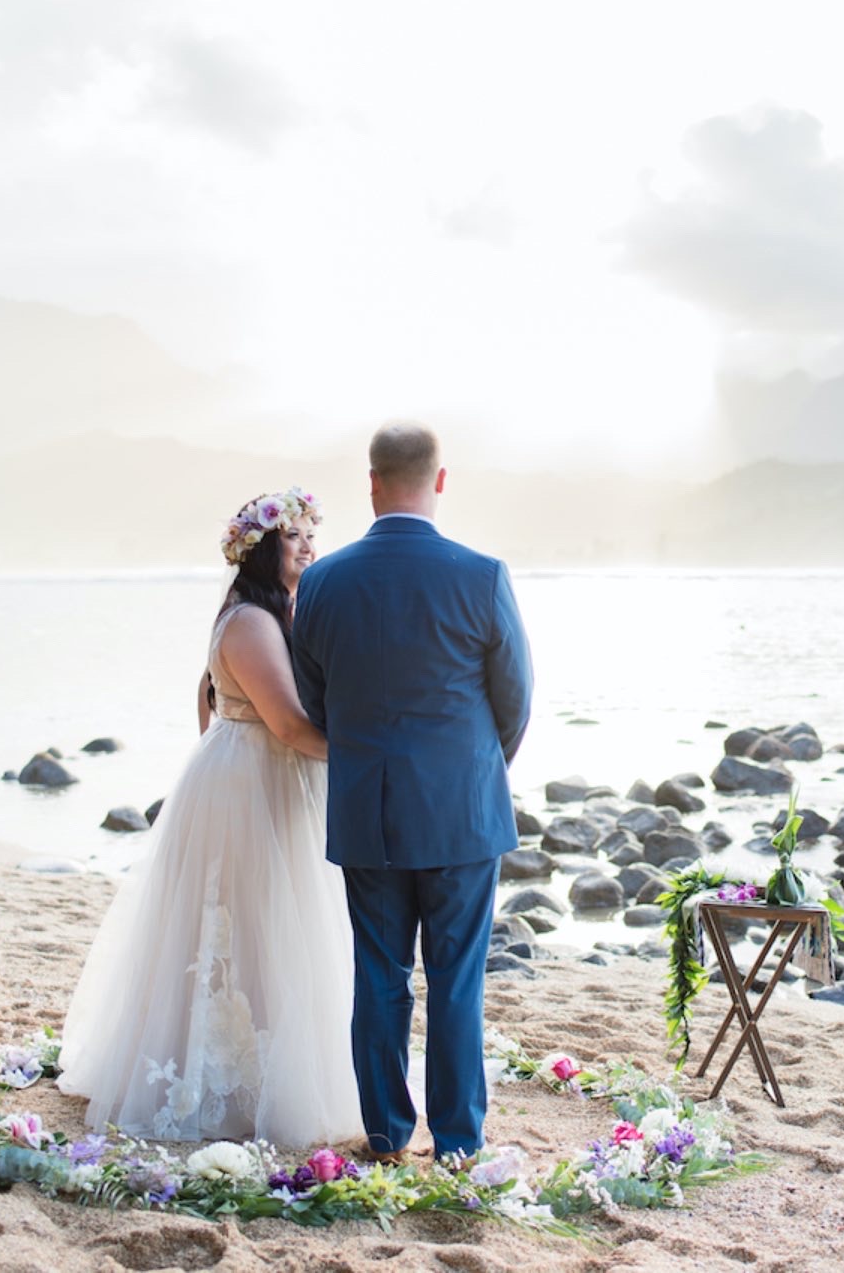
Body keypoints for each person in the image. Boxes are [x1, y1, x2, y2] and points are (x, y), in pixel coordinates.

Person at [57, 488, 363, 1147]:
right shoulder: (251, 620)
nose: (309, 546)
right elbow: (285, 723)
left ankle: (271, 1064)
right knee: (242, 920)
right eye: (294, 536)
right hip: (249, 778)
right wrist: (368, 751)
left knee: (275, 924)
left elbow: (208, 693)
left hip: (268, 775)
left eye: (312, 534)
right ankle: (226, 1080)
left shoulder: (278, 610)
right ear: (260, 549)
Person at [292, 423, 533, 1163]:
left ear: (371, 482)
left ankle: (387, 1131)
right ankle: (458, 1141)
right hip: (462, 813)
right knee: (457, 980)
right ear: (440, 480)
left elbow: (315, 699)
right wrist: (475, 771)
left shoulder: (324, 581)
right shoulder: (481, 574)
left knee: (379, 973)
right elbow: (515, 701)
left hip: (369, 810)